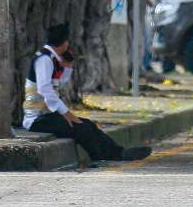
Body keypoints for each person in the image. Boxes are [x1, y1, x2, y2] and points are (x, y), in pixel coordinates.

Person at [24, 24, 152, 164]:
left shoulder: (51, 59)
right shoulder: (45, 59)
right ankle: (103, 155)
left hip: (48, 116)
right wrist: (66, 113)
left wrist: (68, 68)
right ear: (65, 42)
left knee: (88, 124)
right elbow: (45, 90)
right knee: (81, 128)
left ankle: (118, 152)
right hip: (37, 120)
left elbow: (57, 85)